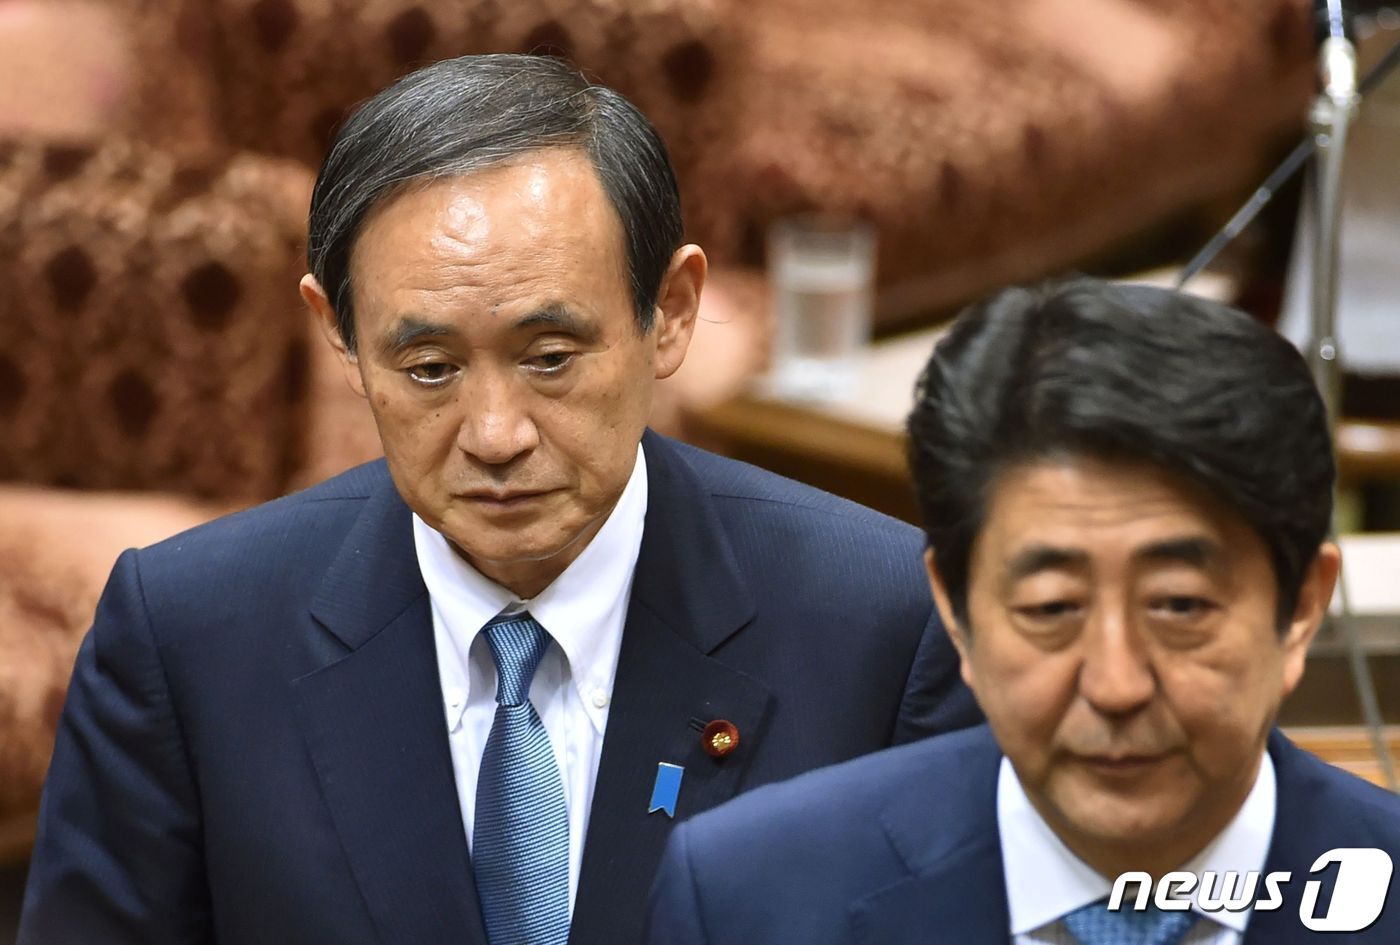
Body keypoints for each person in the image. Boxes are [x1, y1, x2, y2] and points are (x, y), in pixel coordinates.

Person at [17, 53, 979, 945]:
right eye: (430, 368)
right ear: (340, 335)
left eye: (550, 358)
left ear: (670, 313)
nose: (495, 435)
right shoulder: (188, 637)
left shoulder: (884, 626)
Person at [645, 278, 1400, 945]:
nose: (1115, 685)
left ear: (1301, 608)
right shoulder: (750, 899)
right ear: (958, 610)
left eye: (1179, 605)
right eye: (1052, 607)